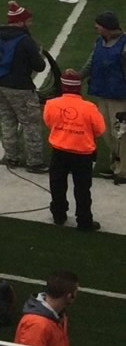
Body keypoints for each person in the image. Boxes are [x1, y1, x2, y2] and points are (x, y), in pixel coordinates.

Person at [0, 1, 48, 173]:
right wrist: (38, 54)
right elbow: (40, 67)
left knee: (7, 121)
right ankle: (34, 162)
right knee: (30, 124)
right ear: (20, 22)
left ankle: (12, 157)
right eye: (28, 21)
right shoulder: (25, 41)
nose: (30, 24)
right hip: (20, 88)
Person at [43, 69, 105, 232]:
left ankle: (58, 215)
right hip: (83, 154)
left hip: (59, 151)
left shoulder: (52, 104)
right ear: (79, 87)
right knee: (83, 189)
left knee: (57, 184)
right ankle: (84, 221)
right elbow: (100, 130)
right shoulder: (89, 107)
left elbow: (49, 123)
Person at [84, 11, 125, 184]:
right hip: (103, 93)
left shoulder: (124, 46)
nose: (95, 27)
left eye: (98, 25)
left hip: (120, 98)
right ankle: (115, 163)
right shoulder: (99, 41)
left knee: (121, 135)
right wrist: (78, 76)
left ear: (107, 28)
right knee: (106, 132)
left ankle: (123, 171)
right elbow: (91, 62)